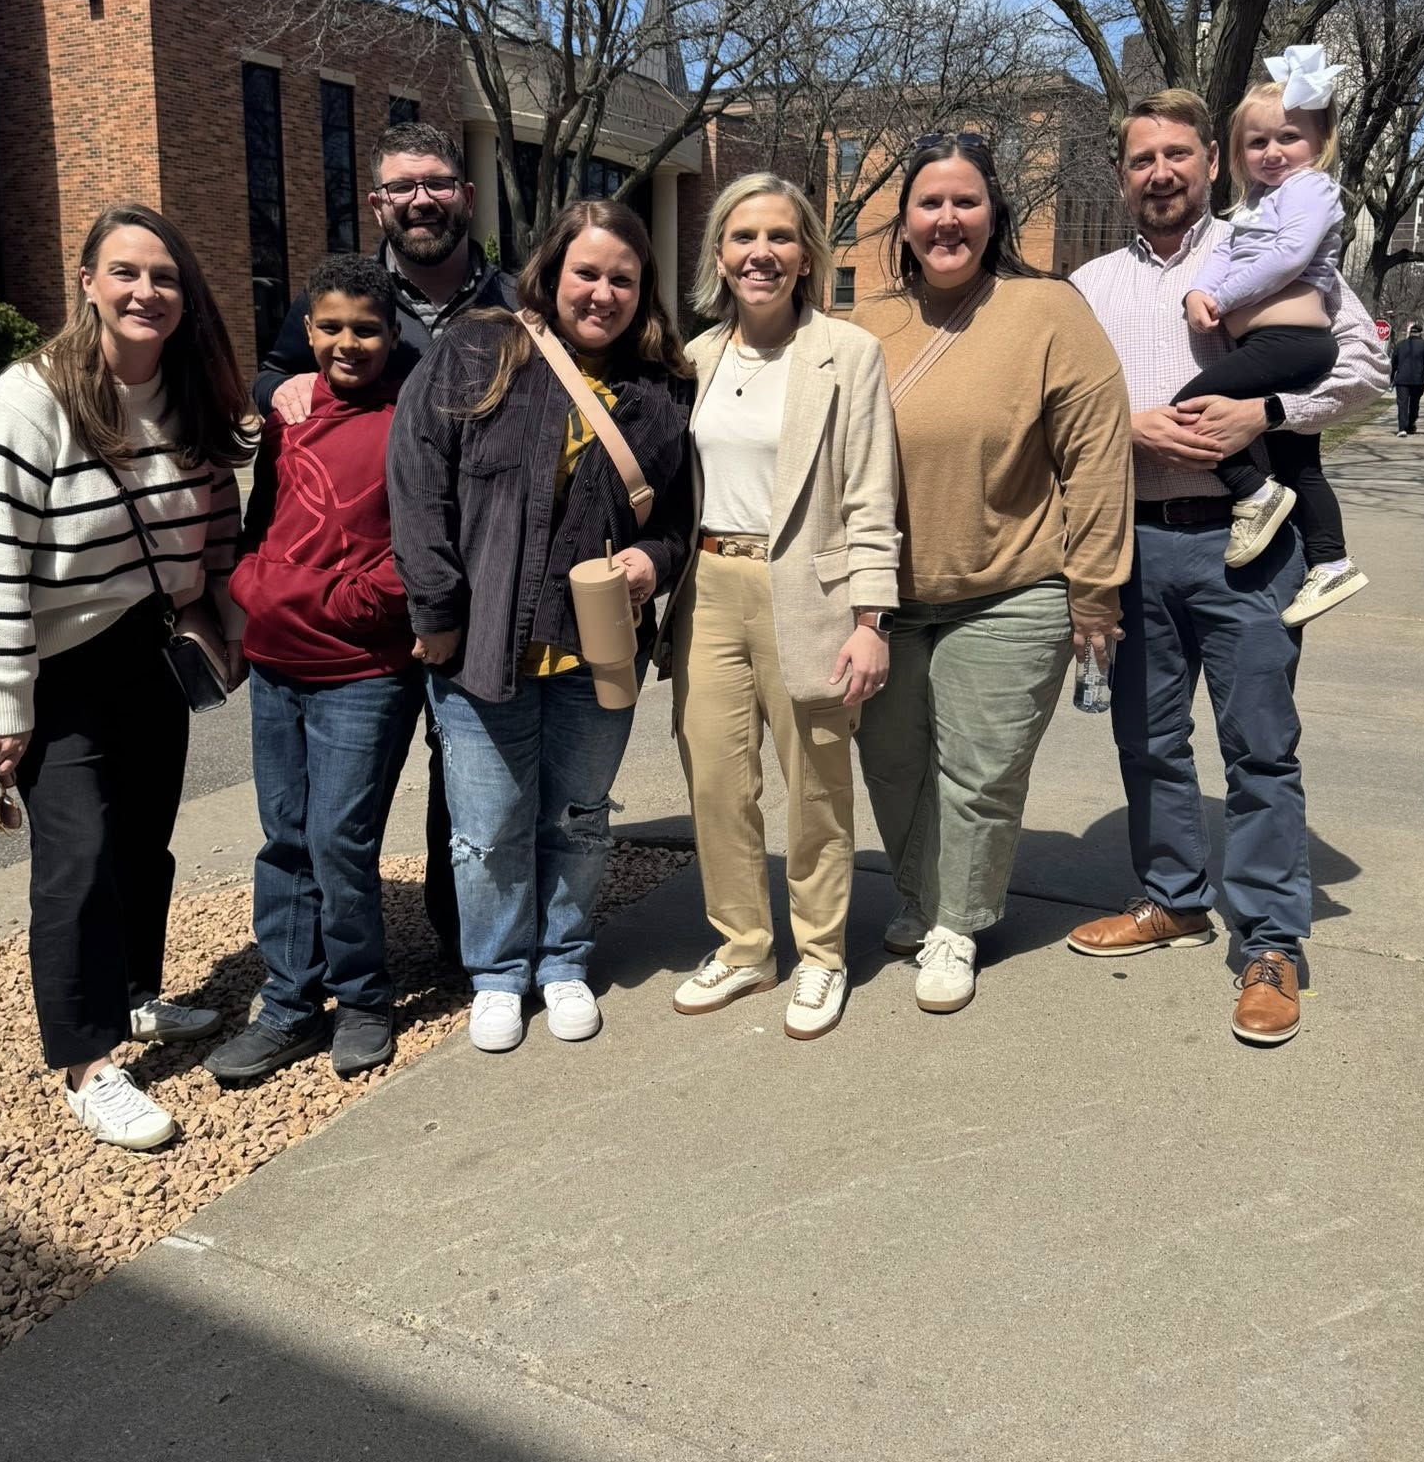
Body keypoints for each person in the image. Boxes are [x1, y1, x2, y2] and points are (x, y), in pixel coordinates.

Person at [1068, 89, 1387, 1047]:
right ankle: (1173, 899)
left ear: (1211, 160)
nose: (1160, 172)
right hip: (1131, 541)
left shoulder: (1272, 245)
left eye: (1177, 154)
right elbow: (1056, 409)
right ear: (1121, 174)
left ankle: (1271, 942)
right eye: (1141, 159)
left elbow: (1364, 371)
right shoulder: (1086, 287)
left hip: (1250, 542)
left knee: (1259, 746)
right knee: (1148, 740)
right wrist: (1124, 426)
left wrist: (1267, 413)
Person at [0, 204, 253, 1149]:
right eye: (124, 272)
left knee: (141, 844)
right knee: (76, 859)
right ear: (87, 282)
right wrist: (3, 704)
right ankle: (86, 1061)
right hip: (58, 664)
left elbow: (216, 522)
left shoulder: (187, 390)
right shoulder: (29, 397)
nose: (145, 292)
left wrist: (224, 619)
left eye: (164, 277)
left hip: (149, 649)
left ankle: (131, 994)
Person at [387, 199, 692, 1054]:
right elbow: (417, 484)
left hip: (599, 653)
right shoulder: (477, 351)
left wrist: (654, 561)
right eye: (586, 273)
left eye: (622, 279)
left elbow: (679, 517)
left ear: (644, 289)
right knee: (488, 827)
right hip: (483, 647)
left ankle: (562, 960)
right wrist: (436, 610)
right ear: (552, 272)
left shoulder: (662, 388)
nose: (602, 293)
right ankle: (496, 972)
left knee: (579, 817)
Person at [850, 135, 1134, 1016]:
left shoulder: (1048, 311)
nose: (948, 220)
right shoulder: (865, 326)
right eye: (929, 203)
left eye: (965, 201)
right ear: (903, 222)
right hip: (884, 602)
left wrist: (1095, 591)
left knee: (979, 773)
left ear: (994, 213)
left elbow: (1096, 458)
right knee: (893, 766)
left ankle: (957, 924)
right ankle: (920, 893)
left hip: (1013, 589)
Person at [254, 122, 518, 966]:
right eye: (402, 187)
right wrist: (283, 386)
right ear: (377, 204)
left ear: (465, 195)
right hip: (370, 603)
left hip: (479, 589)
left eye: (435, 183)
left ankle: (462, 938)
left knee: (467, 779)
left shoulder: (515, 302)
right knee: (333, 813)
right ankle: (318, 972)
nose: (420, 200)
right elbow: (273, 376)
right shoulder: (346, 298)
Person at [657, 174, 899, 1041]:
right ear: (719, 255)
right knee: (718, 781)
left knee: (817, 787)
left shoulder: (847, 352)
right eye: (743, 237)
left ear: (806, 257)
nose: (761, 253)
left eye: (781, 237)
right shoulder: (696, 357)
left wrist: (871, 621)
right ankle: (744, 947)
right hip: (710, 587)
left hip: (810, 592)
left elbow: (871, 492)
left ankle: (823, 952)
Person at [207, 254, 424, 1088]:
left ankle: (364, 996)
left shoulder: (412, 419)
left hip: (363, 668)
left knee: (340, 839)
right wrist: (251, 585)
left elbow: (428, 546)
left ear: (393, 334)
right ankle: (289, 1003)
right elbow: (263, 517)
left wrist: (350, 602)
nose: (347, 343)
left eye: (366, 329)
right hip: (276, 665)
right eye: (330, 327)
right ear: (307, 331)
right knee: (286, 837)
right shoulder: (290, 415)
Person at [1171, 45, 1367, 625]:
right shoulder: (1255, 204)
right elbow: (1224, 255)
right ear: (1237, 154)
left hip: (1291, 342)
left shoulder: (1310, 189)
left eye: (1289, 137)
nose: (1273, 151)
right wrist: (1197, 292)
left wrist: (1224, 298)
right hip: (1267, 345)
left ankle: (1253, 492)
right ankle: (1331, 561)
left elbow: (1289, 256)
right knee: (1299, 463)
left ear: (1320, 140)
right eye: (1257, 143)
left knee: (1190, 405)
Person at [1390, 322, 1424, 435]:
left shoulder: (1400, 345)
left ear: (1410, 333)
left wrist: (1391, 379)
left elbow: (1393, 363)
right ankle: (1410, 425)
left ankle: (1402, 428)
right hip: (1418, 380)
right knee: (1415, 403)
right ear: (1421, 333)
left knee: (1402, 404)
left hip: (1401, 379)